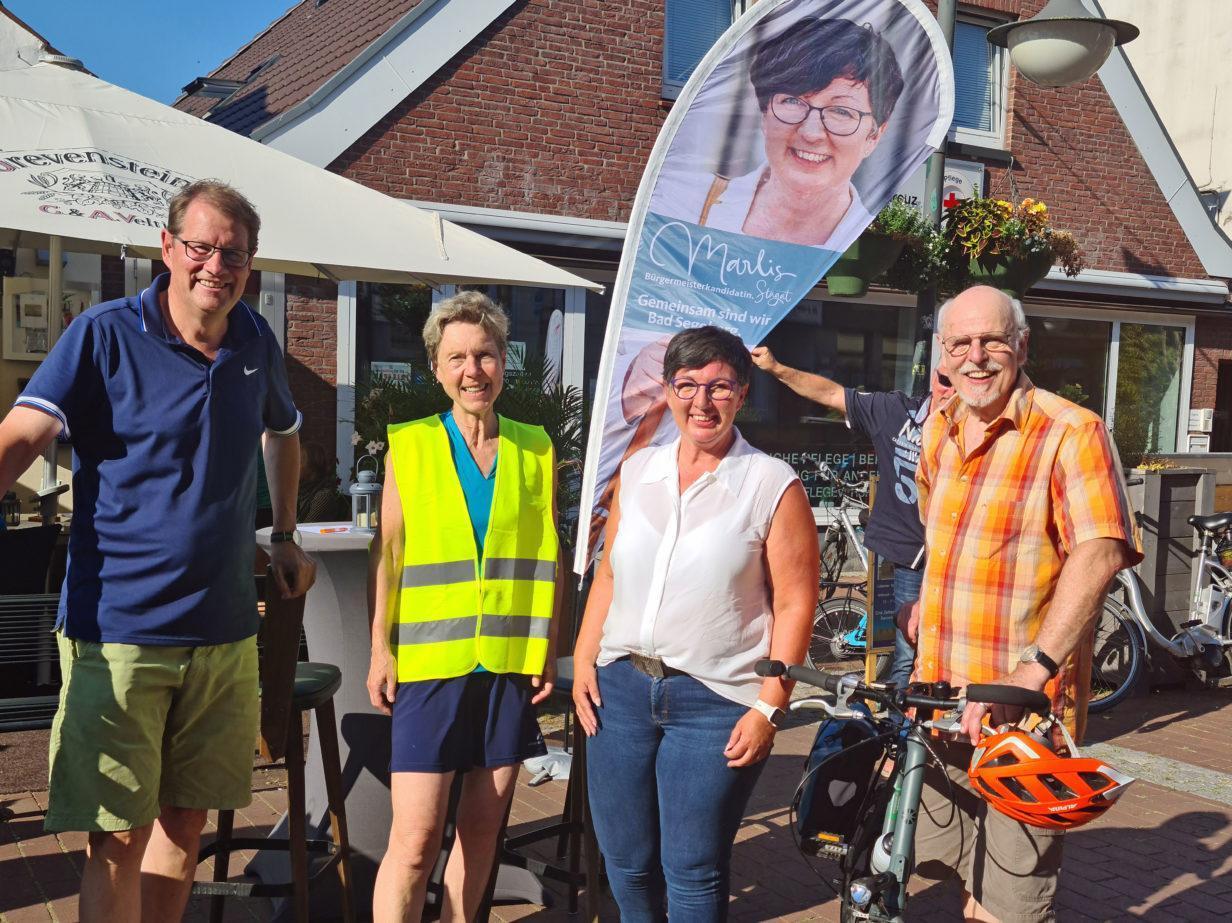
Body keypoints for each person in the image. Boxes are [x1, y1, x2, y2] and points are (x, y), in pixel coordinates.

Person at [0, 180, 316, 923]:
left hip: (225, 630)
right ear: (168, 249)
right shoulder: (105, 333)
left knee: (186, 825)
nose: (216, 265)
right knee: (116, 836)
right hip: (120, 631)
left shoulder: (255, 340)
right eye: (201, 247)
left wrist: (286, 530)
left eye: (232, 252)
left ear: (252, 263)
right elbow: (23, 434)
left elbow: (286, 429)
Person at [900, 286, 1140, 922]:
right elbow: (943, 537)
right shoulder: (940, 430)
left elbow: (1100, 554)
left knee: (1011, 900)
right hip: (943, 702)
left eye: (992, 341)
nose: (976, 357)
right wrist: (925, 603)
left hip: (1020, 718)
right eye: (960, 344)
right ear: (942, 356)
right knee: (958, 871)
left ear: (1023, 346)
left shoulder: (1071, 431)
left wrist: (1031, 671)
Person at [572, 325, 819, 920]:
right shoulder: (638, 470)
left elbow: (795, 604)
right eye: (686, 385)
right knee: (625, 862)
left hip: (715, 702)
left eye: (718, 387)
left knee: (692, 869)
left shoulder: (770, 484)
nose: (701, 402)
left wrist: (769, 707)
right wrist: (583, 657)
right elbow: (607, 573)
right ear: (668, 390)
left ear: (742, 393)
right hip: (620, 691)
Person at [366, 291, 561, 922]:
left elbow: (549, 555)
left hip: (506, 665)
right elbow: (388, 555)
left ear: (506, 362)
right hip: (428, 666)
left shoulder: (536, 448)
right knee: (416, 839)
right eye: (457, 358)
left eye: (485, 355)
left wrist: (547, 650)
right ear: (436, 369)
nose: (472, 370)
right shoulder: (412, 447)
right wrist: (380, 648)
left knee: (481, 836)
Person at [749, 345, 953, 687]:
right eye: (946, 380)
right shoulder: (896, 412)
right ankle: (901, 734)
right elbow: (829, 393)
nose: (953, 390)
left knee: (954, 649)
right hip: (913, 559)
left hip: (963, 560)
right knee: (907, 651)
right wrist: (775, 368)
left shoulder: (982, 430)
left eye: (961, 380)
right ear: (933, 377)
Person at [651, 18, 903, 248]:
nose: (812, 133)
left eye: (841, 111)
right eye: (793, 101)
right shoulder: (689, 207)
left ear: (874, 136)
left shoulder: (875, 242)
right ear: (765, 113)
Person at [296, 440, 345, 523]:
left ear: (311, 467)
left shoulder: (322, 496)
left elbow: (306, 530)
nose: (294, 466)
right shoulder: (302, 492)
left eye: (299, 461)